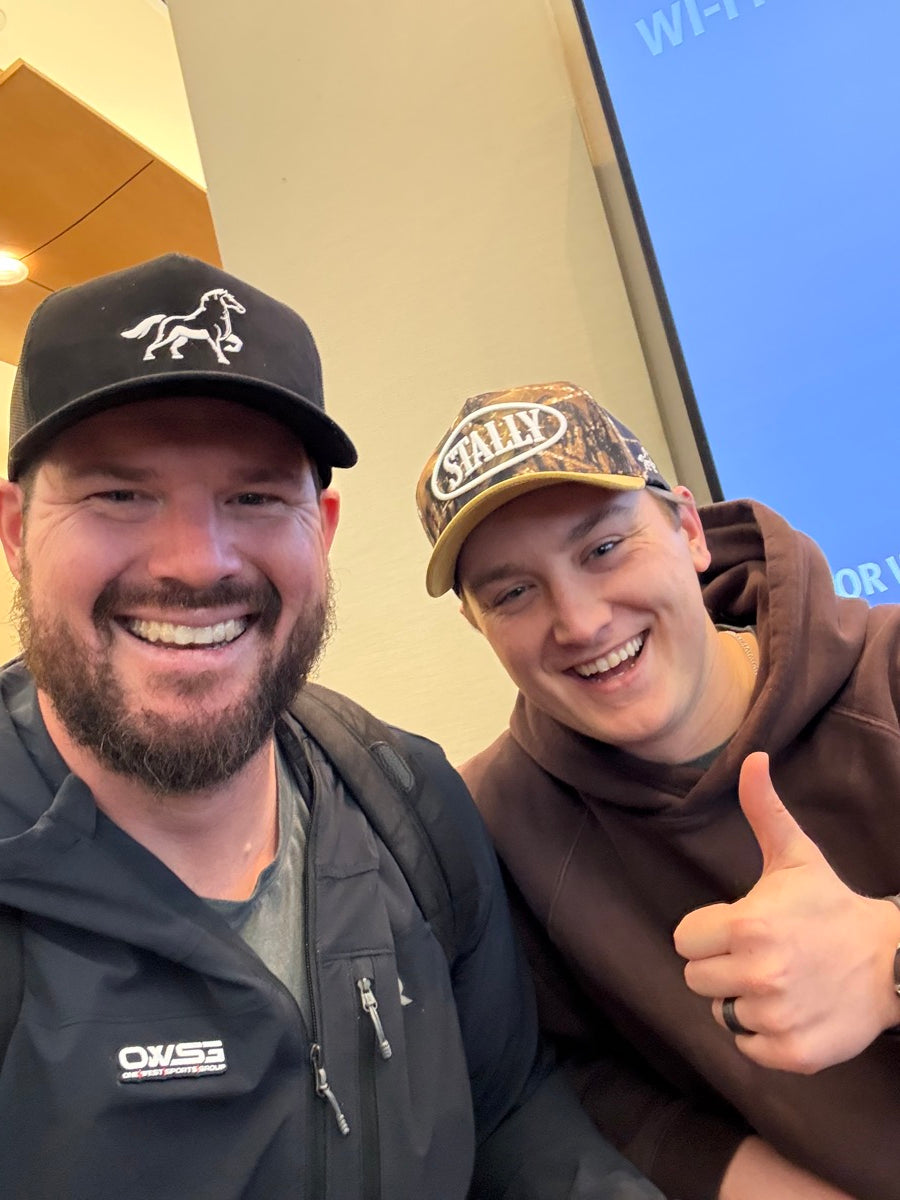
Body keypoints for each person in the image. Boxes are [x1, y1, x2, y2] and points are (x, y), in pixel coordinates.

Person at [0, 262, 662, 1200]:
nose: (197, 563)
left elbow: (512, 1114)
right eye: (120, 495)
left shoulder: (410, 801)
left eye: (258, 497)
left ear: (325, 528)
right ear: (17, 531)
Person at [415, 380, 900, 1200]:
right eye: (512, 592)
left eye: (603, 549)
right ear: (477, 624)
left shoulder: (888, 676)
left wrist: (888, 960)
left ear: (687, 528)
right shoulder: (490, 830)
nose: (580, 622)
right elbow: (555, 1084)